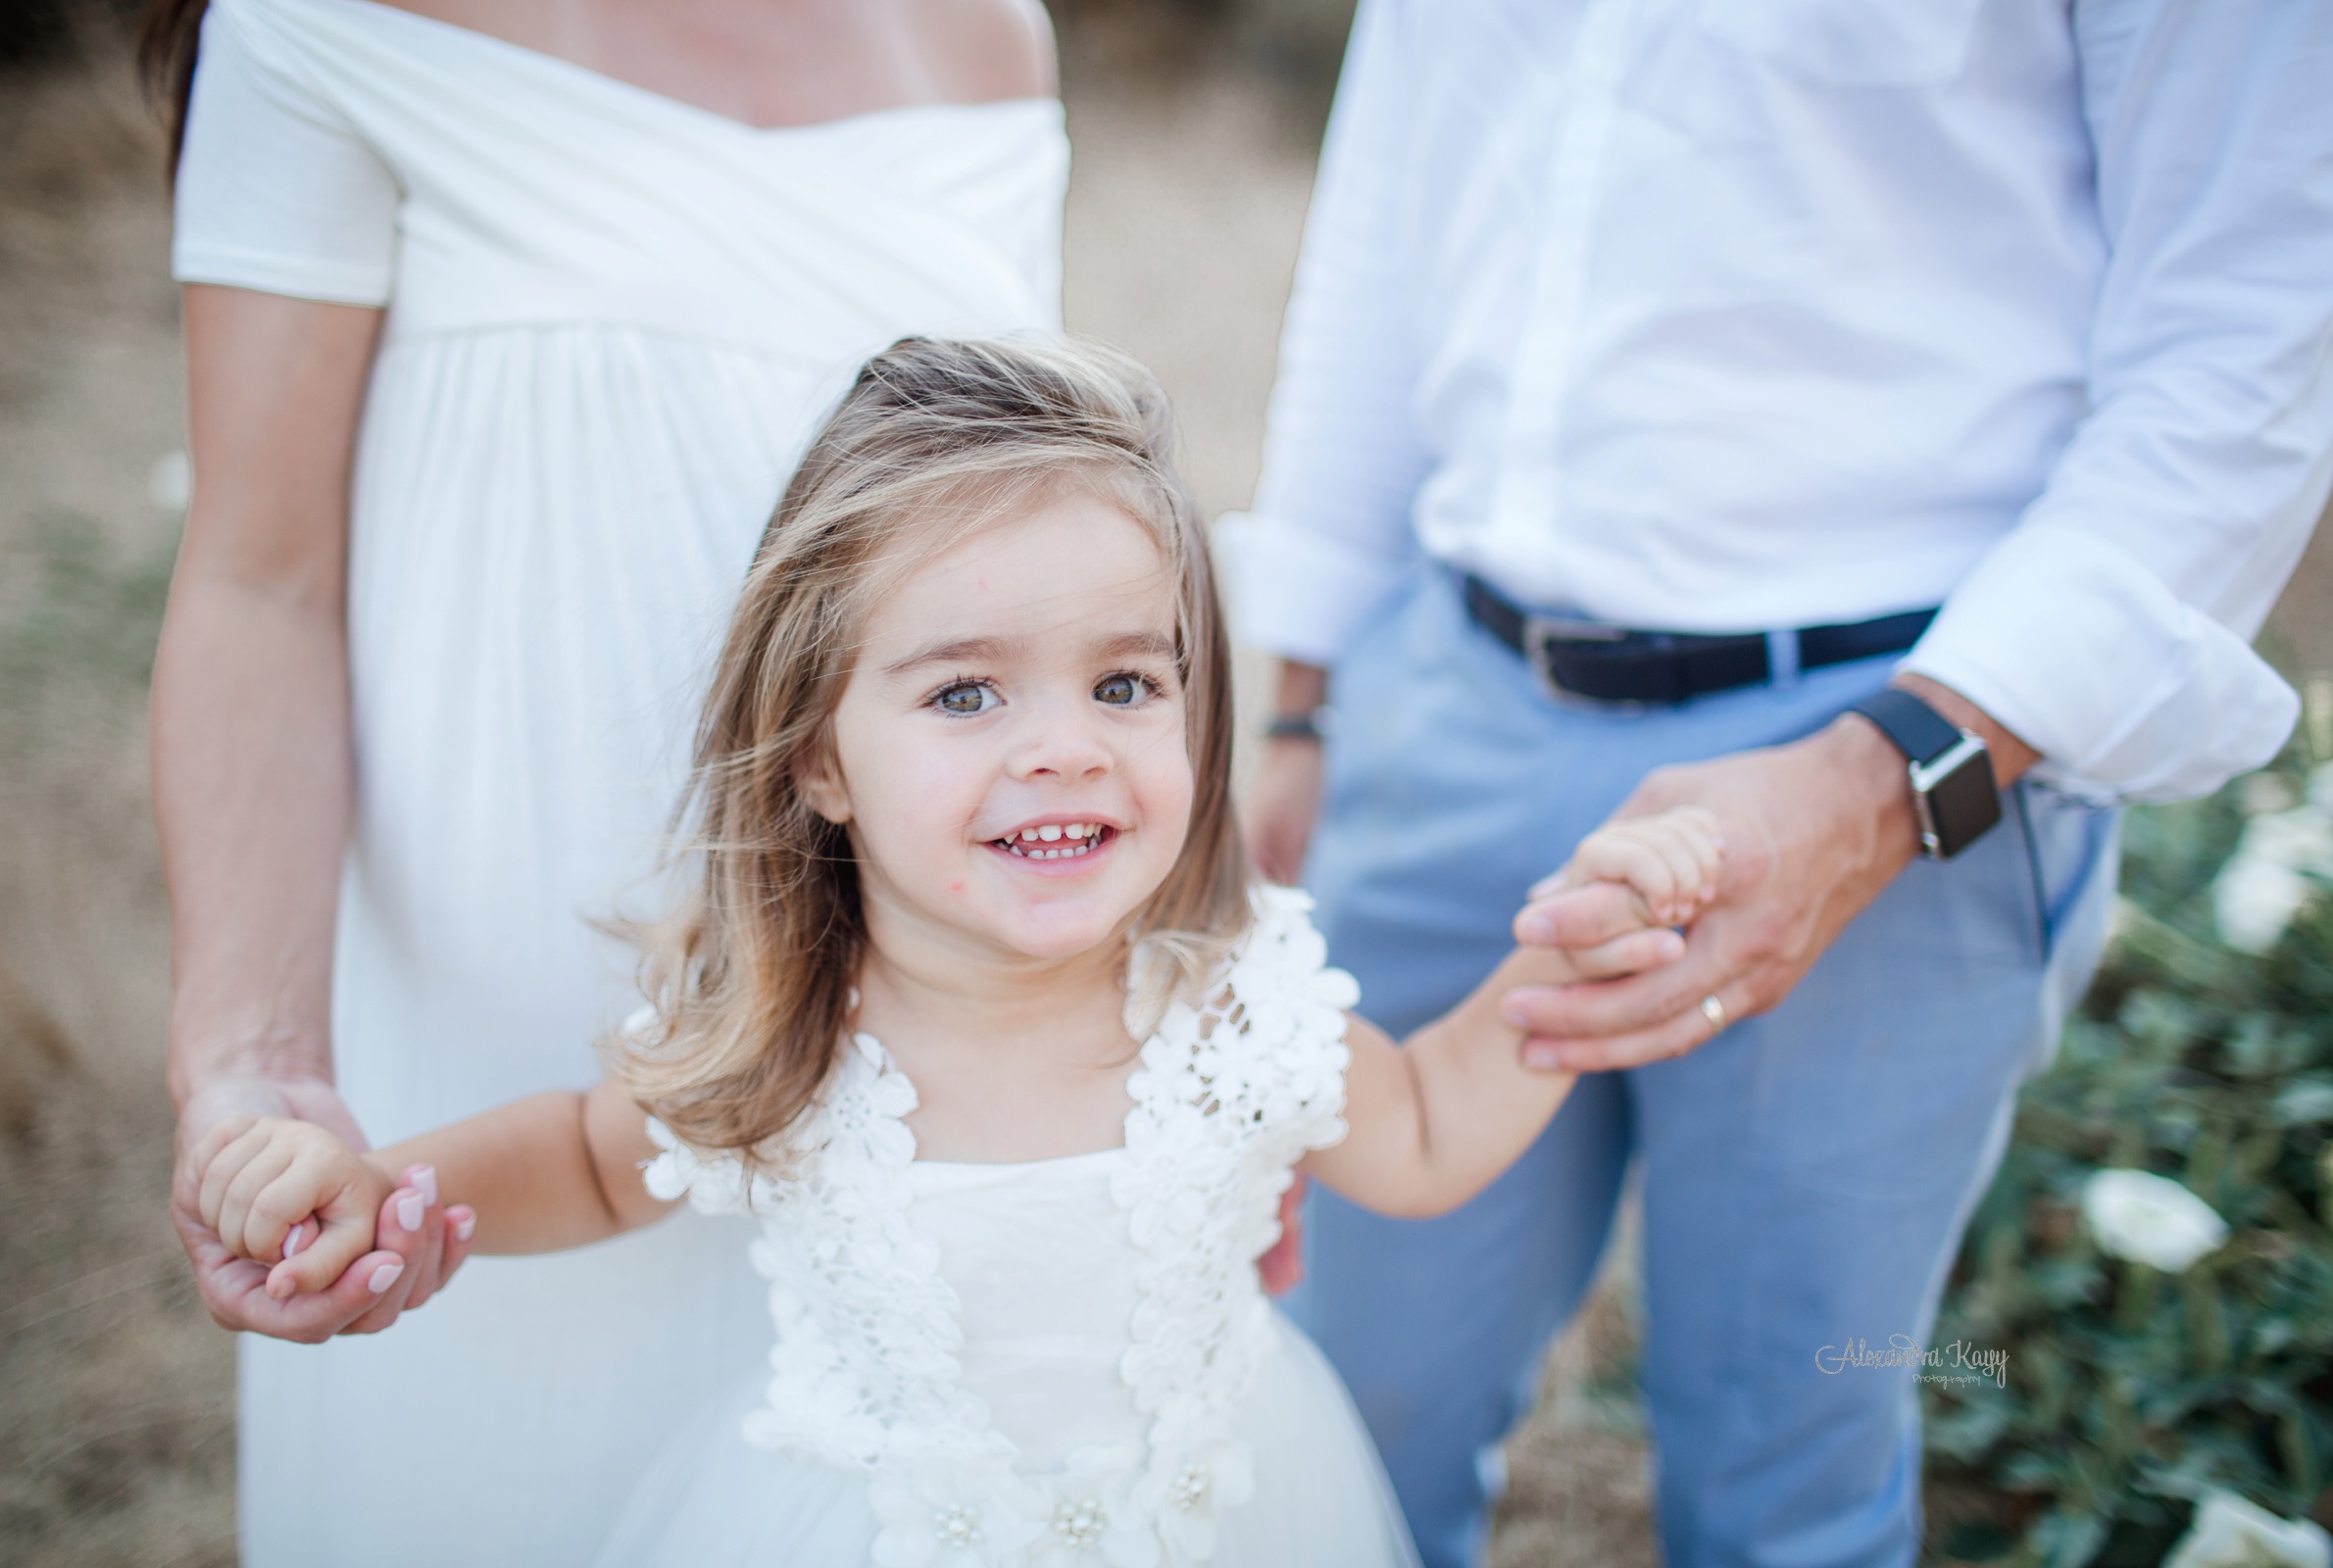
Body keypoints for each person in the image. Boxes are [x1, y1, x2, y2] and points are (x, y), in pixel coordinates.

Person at [181, 334, 1725, 1567]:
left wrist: (1569, 967)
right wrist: (390, 1193)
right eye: (967, 695)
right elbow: (592, 1164)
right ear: (819, 759)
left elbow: (1434, 1129)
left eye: (1126, 684)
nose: (1065, 749)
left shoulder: (1232, 998)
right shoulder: (792, 1031)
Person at [1225, 4, 2333, 1567]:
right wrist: (1304, 700)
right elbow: (1389, 208)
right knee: (1334, 1409)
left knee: (1789, 1473)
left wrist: (1894, 779)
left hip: (1898, 738)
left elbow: (2242, 345)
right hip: (1447, 693)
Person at [145, 1, 1064, 1560]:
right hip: (487, 1014)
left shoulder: (985, 40)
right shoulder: (320, 28)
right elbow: (257, 581)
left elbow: (1038, 561)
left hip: (894, 1034)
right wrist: (253, 1058)